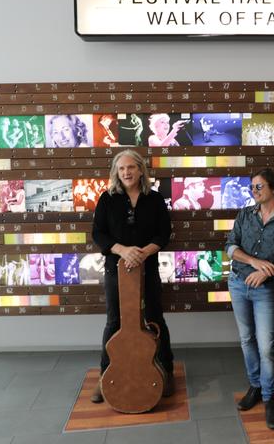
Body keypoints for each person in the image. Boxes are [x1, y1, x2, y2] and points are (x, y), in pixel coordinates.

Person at [91, 149, 174, 403]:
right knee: (114, 322)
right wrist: (124, 251)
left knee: (154, 318)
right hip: (116, 270)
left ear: (141, 170)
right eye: (122, 168)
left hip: (147, 269)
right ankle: (106, 376)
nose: (126, 172)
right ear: (116, 172)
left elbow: (164, 233)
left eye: (131, 167)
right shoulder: (107, 199)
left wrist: (143, 253)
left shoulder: (156, 199)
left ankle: (166, 372)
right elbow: (99, 234)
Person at [225, 168, 274, 430]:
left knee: (267, 347)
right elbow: (230, 247)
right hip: (237, 283)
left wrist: (268, 269)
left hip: (265, 290)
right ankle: (256, 386)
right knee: (246, 339)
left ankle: (270, 397)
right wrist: (254, 262)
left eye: (259, 187)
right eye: (252, 187)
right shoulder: (244, 215)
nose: (254, 191)